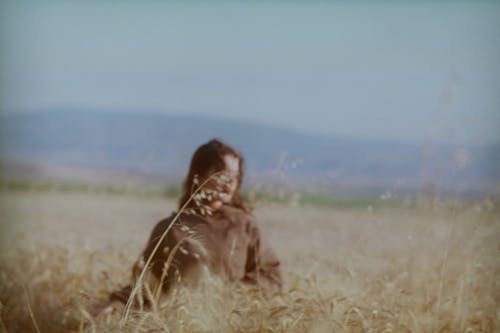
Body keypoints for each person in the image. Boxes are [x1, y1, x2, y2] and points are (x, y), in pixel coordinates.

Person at [94, 139, 282, 316]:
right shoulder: (170, 229)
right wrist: (115, 306)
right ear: (198, 176)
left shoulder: (245, 226)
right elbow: (147, 286)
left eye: (235, 176)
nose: (230, 183)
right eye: (221, 173)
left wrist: (227, 295)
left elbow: (271, 278)